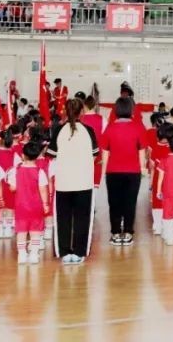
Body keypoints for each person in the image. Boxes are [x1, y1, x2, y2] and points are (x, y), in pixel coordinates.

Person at [47, 97, 99, 262]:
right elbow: (95, 154)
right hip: (83, 181)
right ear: (82, 112)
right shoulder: (88, 131)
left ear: (64, 111)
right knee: (82, 218)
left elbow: (51, 154)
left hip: (63, 181)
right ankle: (79, 253)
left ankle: (64, 253)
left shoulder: (58, 130)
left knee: (63, 218)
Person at [101, 97, 146, 246]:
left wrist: (104, 171)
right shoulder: (138, 127)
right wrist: (143, 168)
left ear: (116, 110)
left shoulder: (110, 127)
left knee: (114, 203)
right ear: (131, 110)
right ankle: (127, 232)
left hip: (113, 171)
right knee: (130, 202)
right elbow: (142, 151)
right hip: (133, 172)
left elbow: (105, 152)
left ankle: (115, 233)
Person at [9, 142, 50, 264]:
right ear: (37, 156)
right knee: (35, 231)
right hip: (36, 206)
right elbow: (43, 189)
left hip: (21, 205)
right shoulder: (40, 171)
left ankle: (22, 255)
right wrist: (45, 204)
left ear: (23, 155)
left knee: (21, 231)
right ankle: (33, 254)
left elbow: (12, 188)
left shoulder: (16, 170)